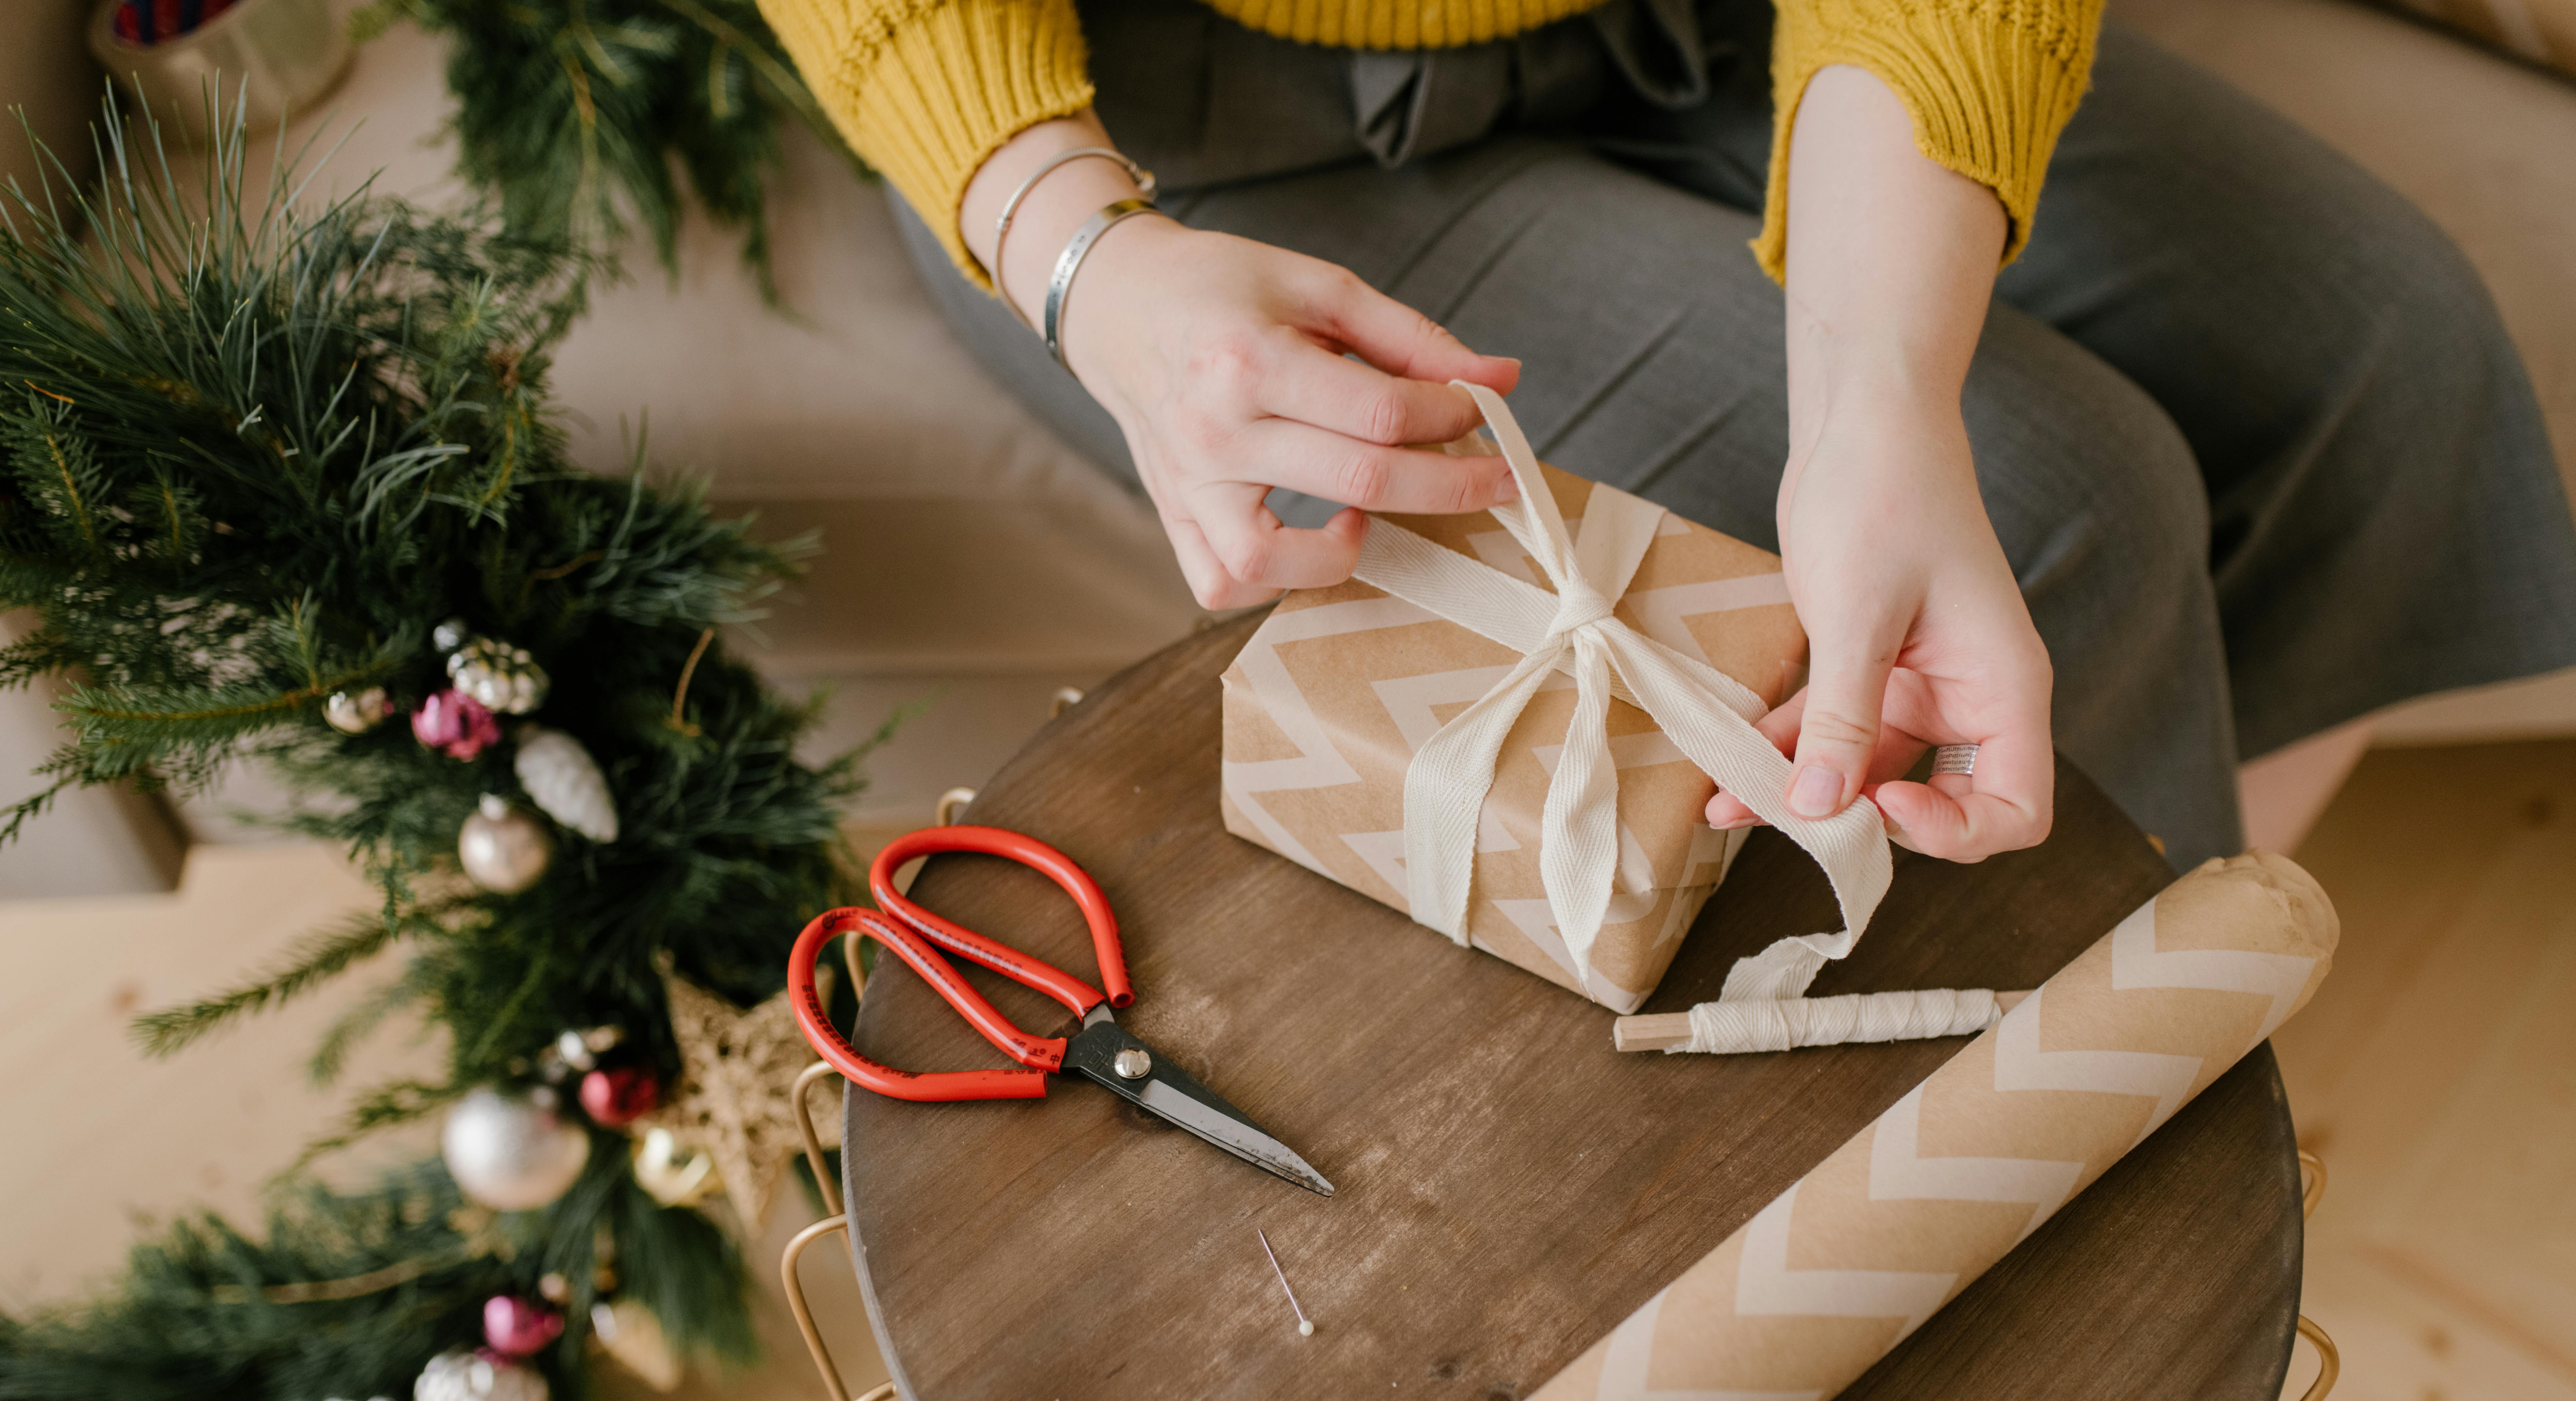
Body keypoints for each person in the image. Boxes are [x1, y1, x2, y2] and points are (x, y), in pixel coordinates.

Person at [758, 0, 2576, 869]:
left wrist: (1878, 385)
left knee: (2384, 351)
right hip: (1160, 134)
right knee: (2065, 506)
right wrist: (1076, 250)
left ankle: (2119, 1033)